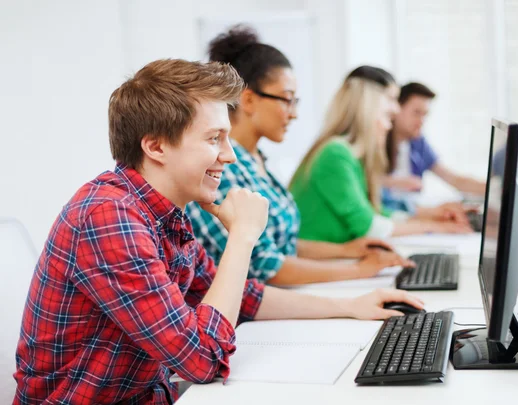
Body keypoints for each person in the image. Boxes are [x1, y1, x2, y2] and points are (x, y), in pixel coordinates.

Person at [13, 59, 424, 404]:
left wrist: (351, 306)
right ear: (155, 147)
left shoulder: (165, 211)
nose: (228, 155)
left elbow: (244, 298)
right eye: (214, 139)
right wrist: (242, 237)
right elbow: (201, 359)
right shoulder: (109, 218)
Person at [187, 26, 413, 286]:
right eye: (287, 100)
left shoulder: (257, 161)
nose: (293, 113)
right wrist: (360, 269)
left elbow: (284, 244)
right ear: (249, 101)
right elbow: (266, 267)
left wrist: (347, 250)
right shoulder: (222, 169)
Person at [289, 67, 472, 244]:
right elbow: (370, 226)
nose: (396, 109)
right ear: (368, 107)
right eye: (389, 110)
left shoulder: (350, 155)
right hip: (322, 264)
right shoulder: (335, 153)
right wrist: (433, 226)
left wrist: (430, 218)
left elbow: (375, 212)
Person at [384, 82, 486, 197]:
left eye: (425, 115)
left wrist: (494, 189)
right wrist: (394, 182)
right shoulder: (377, 139)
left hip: (411, 209)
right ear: (397, 108)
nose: (421, 121)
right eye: (416, 113)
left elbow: (453, 179)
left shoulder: (418, 143)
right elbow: (363, 181)